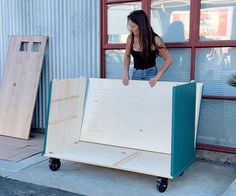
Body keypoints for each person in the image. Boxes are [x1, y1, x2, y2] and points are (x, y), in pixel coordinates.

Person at [123, 10, 172, 87]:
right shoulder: (130, 38)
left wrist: (157, 77)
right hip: (135, 74)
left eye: (133, 26)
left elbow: (169, 59)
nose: (130, 29)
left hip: (151, 74)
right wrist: (126, 74)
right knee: (136, 97)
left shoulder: (155, 40)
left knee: (150, 98)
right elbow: (127, 56)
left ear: (141, 25)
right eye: (130, 26)